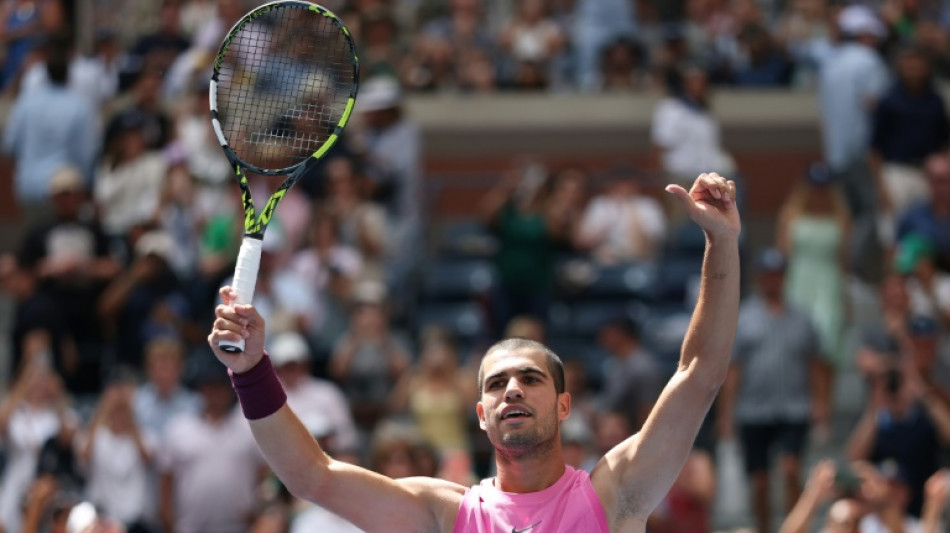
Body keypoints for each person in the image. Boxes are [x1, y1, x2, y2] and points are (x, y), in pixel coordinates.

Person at [208, 172, 740, 532]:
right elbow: (311, 477)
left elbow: (699, 374)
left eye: (531, 379)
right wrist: (251, 370)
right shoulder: (444, 514)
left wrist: (721, 243)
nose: (512, 387)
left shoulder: (617, 490)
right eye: (496, 383)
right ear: (482, 415)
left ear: (563, 406)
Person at [718, 247, 830, 533]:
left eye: (777, 275)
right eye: (767, 275)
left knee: (791, 468)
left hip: (793, 405)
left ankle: (796, 526)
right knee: (760, 480)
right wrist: (726, 413)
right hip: (754, 408)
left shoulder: (802, 318)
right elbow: (734, 370)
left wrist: (820, 403)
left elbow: (815, 364)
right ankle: (765, 528)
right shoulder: (744, 317)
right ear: (760, 278)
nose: (772, 280)